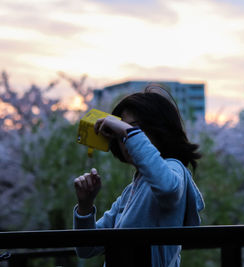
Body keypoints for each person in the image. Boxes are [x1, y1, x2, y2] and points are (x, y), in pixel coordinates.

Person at [73, 84, 205, 267]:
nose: (124, 139)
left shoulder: (175, 169)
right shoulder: (129, 194)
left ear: (160, 129)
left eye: (133, 130)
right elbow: (86, 249)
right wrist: (85, 206)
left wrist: (125, 130)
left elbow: (168, 187)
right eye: (120, 133)